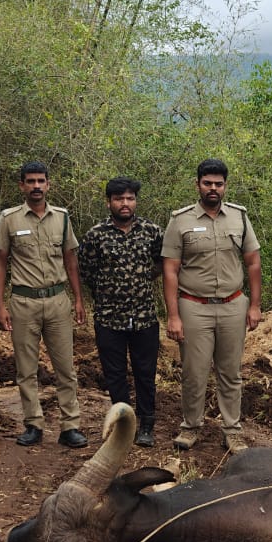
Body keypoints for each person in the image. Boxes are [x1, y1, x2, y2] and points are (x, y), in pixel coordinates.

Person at [162, 158, 262, 455]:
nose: (213, 188)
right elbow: (170, 269)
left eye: (218, 184)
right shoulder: (180, 221)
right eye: (208, 183)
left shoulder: (240, 218)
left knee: (230, 372)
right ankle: (191, 426)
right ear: (198, 185)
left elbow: (253, 262)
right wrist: (173, 315)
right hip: (194, 306)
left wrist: (254, 305)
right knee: (194, 371)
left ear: (225, 186)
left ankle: (232, 430)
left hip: (233, 305)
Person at [0, 161, 88, 449]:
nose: (36, 186)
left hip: (58, 301)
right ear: (22, 185)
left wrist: (78, 299)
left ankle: (70, 426)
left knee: (65, 367)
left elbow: (71, 260)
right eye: (30, 181)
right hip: (24, 301)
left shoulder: (62, 217)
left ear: (48, 184)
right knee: (26, 369)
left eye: (41, 181)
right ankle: (33, 423)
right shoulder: (9, 219)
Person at [78, 177, 164, 448]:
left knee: (145, 372)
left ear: (135, 201)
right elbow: (87, 271)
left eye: (129, 198)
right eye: (119, 199)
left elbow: (162, 263)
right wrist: (108, 290)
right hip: (108, 317)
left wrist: (141, 280)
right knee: (114, 373)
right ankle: (122, 423)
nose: (125, 204)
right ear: (109, 202)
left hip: (144, 316)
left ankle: (147, 423)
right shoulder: (95, 235)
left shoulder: (151, 231)